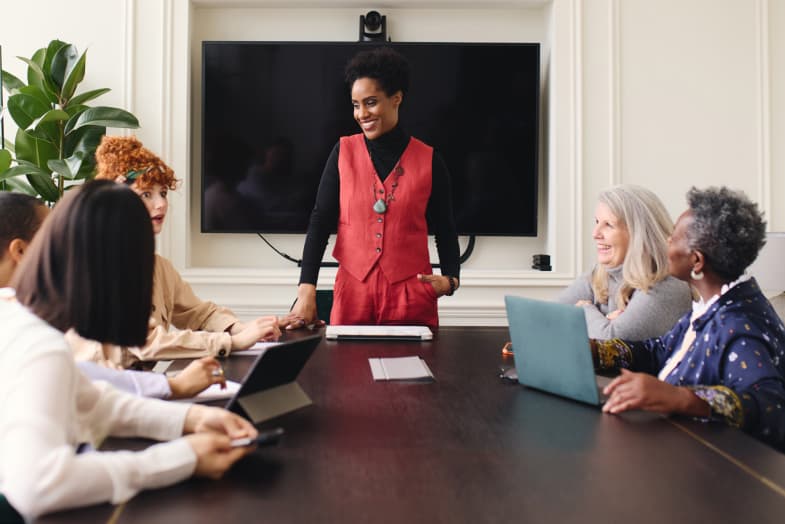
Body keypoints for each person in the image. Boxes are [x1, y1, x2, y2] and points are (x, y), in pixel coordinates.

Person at [0, 180, 258, 520]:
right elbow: (37, 486)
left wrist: (192, 418)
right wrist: (180, 459)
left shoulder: (18, 318)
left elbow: (91, 401)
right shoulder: (42, 348)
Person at [593, 187, 785, 451]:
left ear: (696, 261)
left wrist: (681, 398)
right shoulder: (712, 306)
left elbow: (769, 405)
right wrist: (596, 350)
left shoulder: (739, 326)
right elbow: (658, 351)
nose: (667, 243)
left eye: (673, 238)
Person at [68, 135, 282, 367]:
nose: (161, 204)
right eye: (146, 194)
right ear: (118, 201)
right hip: (104, 394)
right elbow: (147, 342)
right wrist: (232, 342)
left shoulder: (159, 267)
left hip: (138, 389)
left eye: (163, 193)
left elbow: (200, 313)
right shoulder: (103, 266)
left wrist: (242, 328)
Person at [287, 46, 460, 329]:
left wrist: (451, 279)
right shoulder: (342, 152)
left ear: (396, 99)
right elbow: (320, 221)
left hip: (412, 295)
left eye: (370, 102)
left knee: (413, 373)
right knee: (349, 372)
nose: (361, 113)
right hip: (353, 293)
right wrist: (306, 289)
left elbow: (445, 228)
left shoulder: (430, 160)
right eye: (356, 105)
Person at [0, 192, 225, 399]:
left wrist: (173, 390)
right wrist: (174, 387)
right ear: (20, 251)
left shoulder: (23, 308)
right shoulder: (25, 320)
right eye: (52, 237)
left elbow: (81, 378)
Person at [558, 185, 693, 340]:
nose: (595, 234)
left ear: (639, 234)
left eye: (608, 225)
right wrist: (603, 320)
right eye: (597, 222)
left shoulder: (667, 286)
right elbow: (549, 317)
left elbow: (611, 341)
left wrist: (584, 310)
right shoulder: (600, 272)